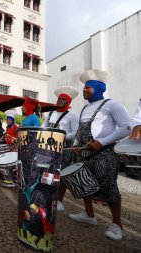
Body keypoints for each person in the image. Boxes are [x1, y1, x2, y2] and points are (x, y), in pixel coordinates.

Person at [69, 69, 130, 241]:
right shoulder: (84, 108)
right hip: (85, 153)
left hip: (105, 153)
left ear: (99, 88)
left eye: (88, 87)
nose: (84, 90)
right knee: (84, 183)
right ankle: (89, 215)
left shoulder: (112, 104)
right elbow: (81, 131)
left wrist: (102, 142)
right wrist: (75, 144)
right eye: (84, 87)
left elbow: (126, 127)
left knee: (109, 187)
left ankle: (118, 225)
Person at [42, 86, 79, 211]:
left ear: (68, 102)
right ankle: (47, 195)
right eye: (59, 99)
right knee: (47, 170)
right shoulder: (51, 113)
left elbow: (76, 132)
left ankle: (59, 200)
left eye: (63, 99)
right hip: (49, 146)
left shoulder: (72, 115)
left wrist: (61, 137)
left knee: (61, 174)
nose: (59, 101)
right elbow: (44, 127)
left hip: (65, 148)